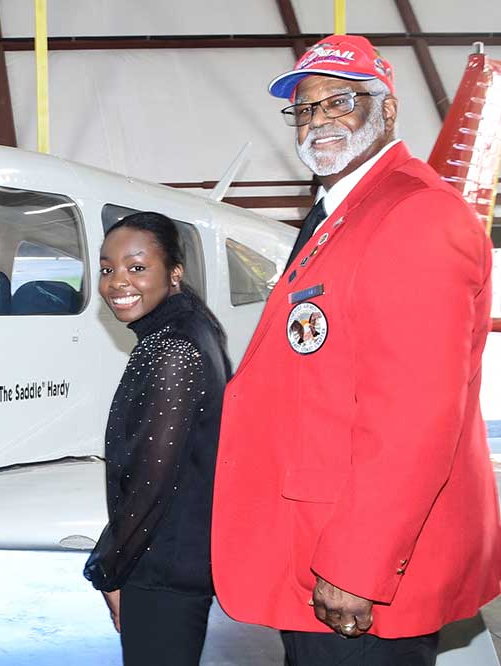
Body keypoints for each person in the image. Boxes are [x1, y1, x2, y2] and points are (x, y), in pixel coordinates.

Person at [212, 34, 501, 665]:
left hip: (354, 568)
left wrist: (358, 564)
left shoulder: (415, 215)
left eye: (339, 103)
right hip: (313, 546)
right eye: (305, 109)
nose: (318, 122)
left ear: (388, 111)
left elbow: (415, 415)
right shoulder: (340, 213)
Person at [83, 212, 231, 665]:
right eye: (108, 269)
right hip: (173, 558)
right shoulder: (187, 330)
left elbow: (152, 480)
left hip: (163, 564)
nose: (117, 282)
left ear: (175, 273)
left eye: (137, 267)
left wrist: (108, 569)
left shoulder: (172, 347)